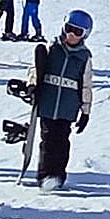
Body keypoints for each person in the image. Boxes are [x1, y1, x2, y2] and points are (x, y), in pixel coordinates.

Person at [29, 10, 94, 190]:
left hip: (68, 106)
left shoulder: (84, 57)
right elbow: (36, 68)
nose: (71, 35)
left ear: (85, 35)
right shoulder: (52, 47)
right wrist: (33, 85)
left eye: (77, 32)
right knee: (47, 140)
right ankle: (45, 176)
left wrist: (85, 112)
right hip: (48, 102)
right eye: (69, 29)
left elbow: (86, 85)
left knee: (61, 141)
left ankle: (57, 175)